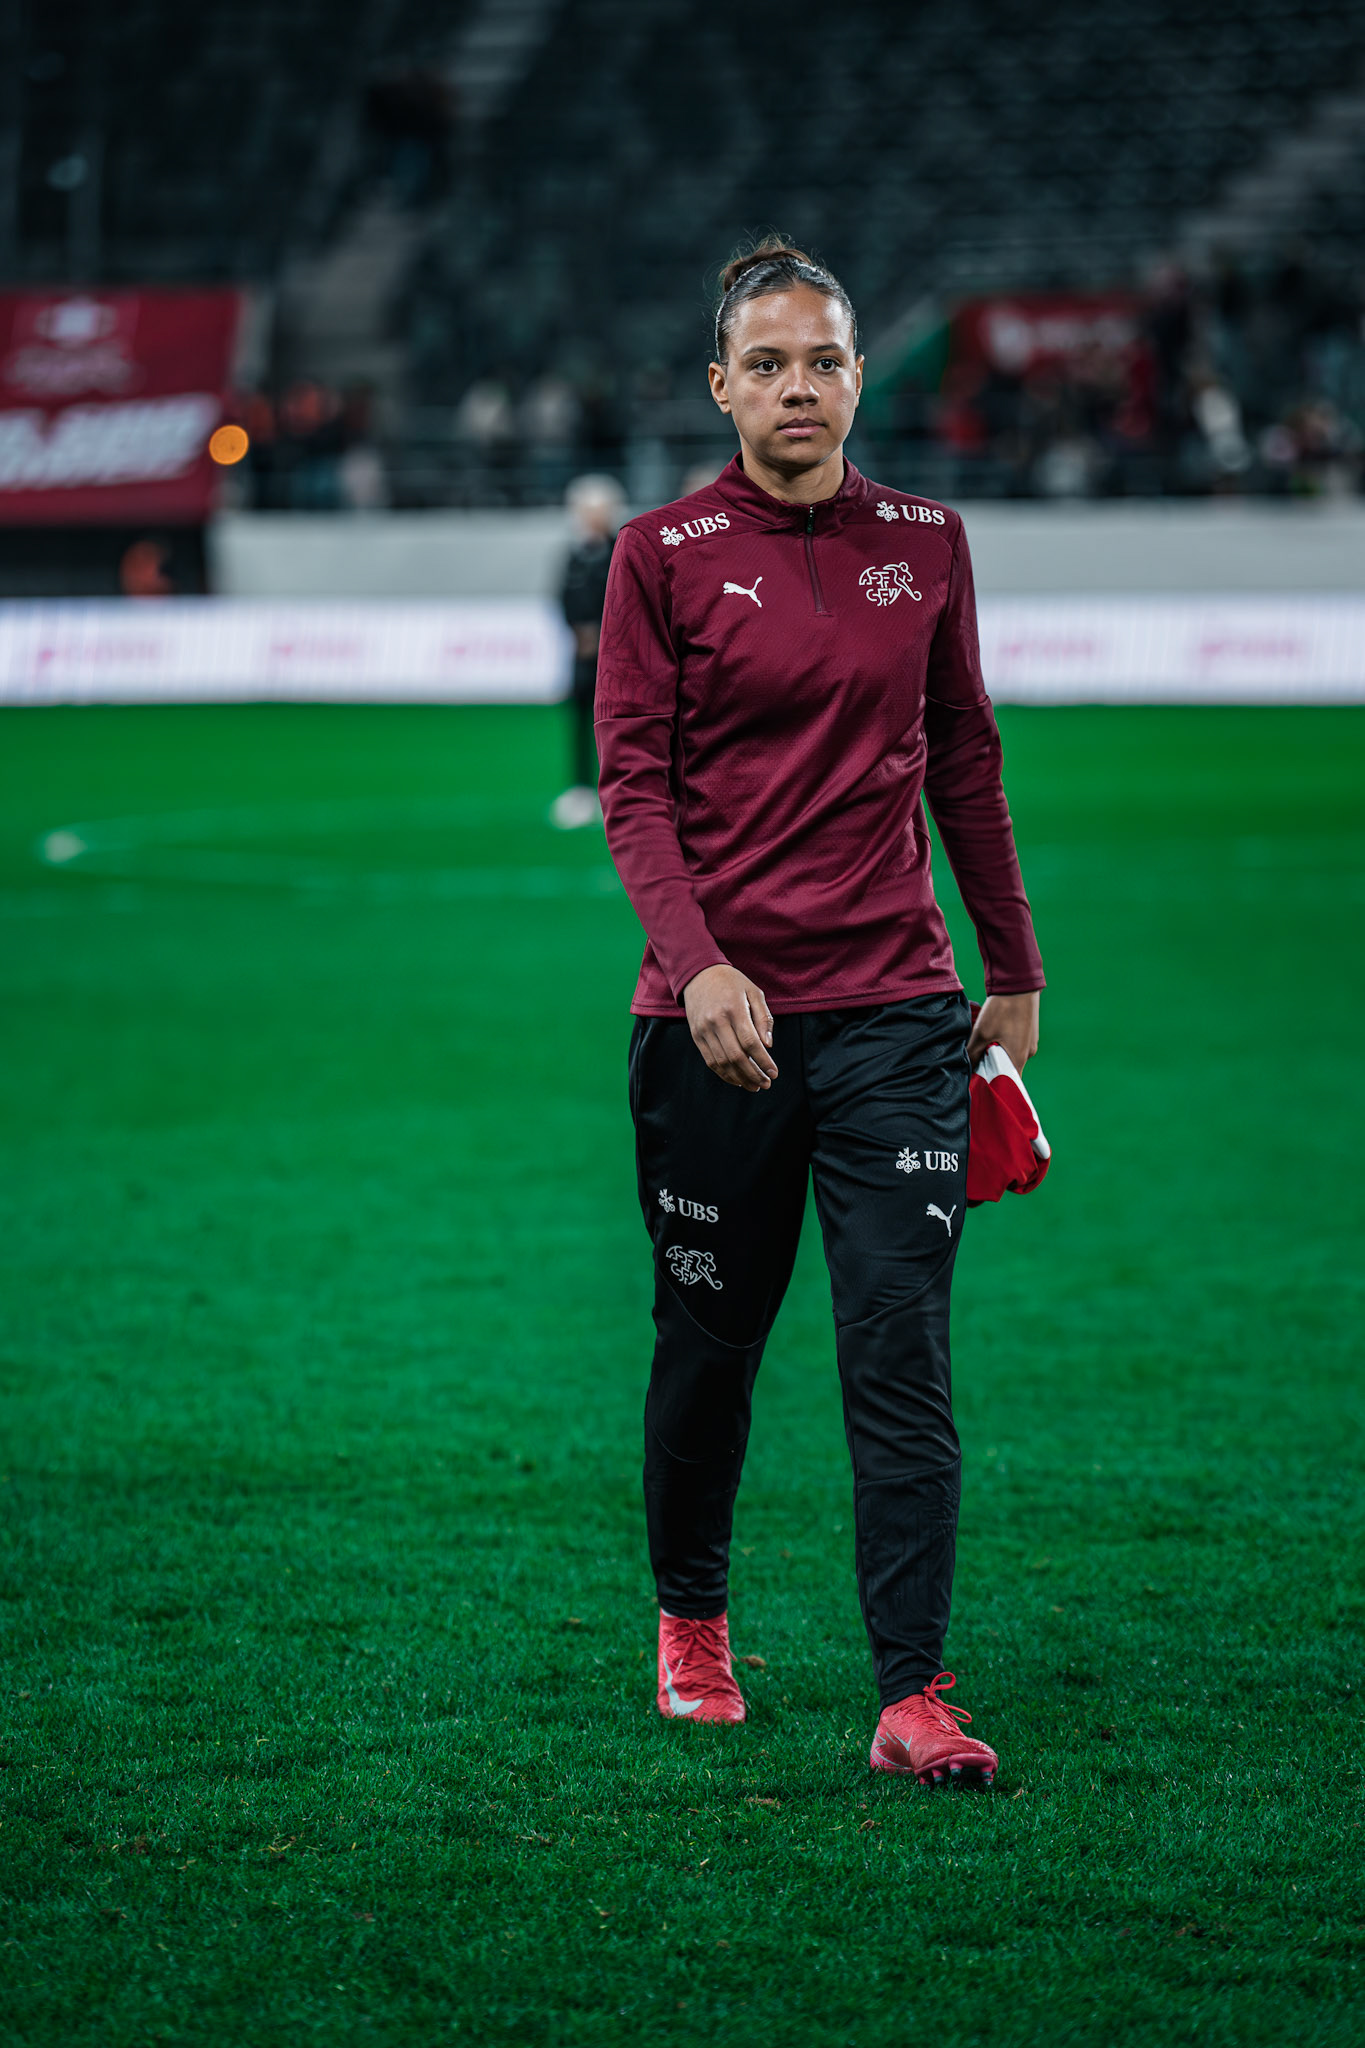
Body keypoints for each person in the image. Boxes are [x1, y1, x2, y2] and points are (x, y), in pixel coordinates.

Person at [595, 241, 1045, 1784]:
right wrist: (700, 960)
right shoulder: (656, 554)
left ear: (859, 379)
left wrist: (1016, 964)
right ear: (722, 385)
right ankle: (693, 1622)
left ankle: (912, 1693)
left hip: (898, 1016)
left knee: (899, 1348)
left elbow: (966, 758)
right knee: (709, 1345)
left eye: (826, 362)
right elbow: (636, 794)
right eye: (769, 364)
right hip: (709, 1024)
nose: (800, 388)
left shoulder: (927, 542)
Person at [552, 473, 626, 830]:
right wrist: (578, 631)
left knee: (620, 727)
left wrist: (604, 635)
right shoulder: (575, 556)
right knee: (580, 722)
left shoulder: (623, 551)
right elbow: (562, 600)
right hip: (581, 657)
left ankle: (621, 792)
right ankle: (580, 789)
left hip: (619, 659)